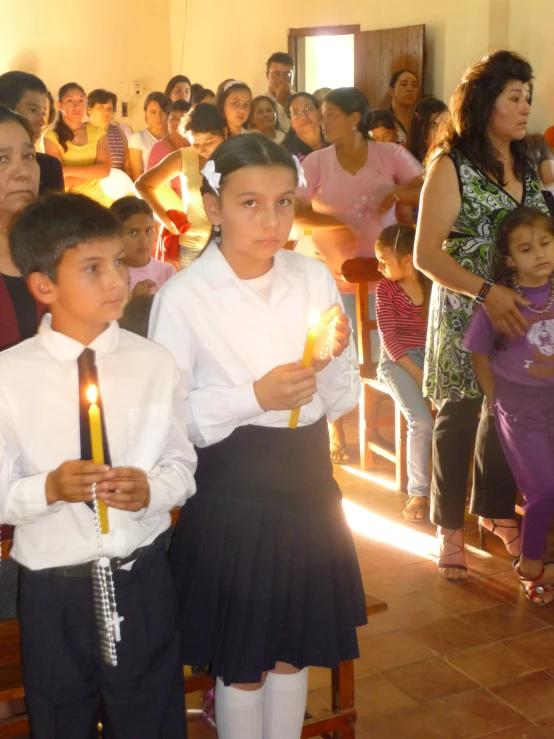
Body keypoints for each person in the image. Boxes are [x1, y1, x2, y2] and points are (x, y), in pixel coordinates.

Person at [149, 134, 366, 739]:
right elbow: (170, 423)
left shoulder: (312, 277)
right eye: (250, 203)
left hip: (306, 485)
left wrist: (323, 373)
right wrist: (255, 397)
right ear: (213, 207)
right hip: (233, 494)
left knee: (292, 647)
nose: (271, 221)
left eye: (284, 202)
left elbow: (345, 392)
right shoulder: (184, 298)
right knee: (243, 661)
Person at [0, 192, 196, 739]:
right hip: (53, 588)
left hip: (141, 576)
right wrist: (50, 489)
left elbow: (182, 463)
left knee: (151, 718)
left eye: (117, 262)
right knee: (61, 719)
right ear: (43, 286)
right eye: (93, 267)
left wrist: (152, 491)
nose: (116, 279)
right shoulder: (8, 377)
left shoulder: (152, 363)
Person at [414, 50, 548, 581]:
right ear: (484, 101)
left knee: (508, 412)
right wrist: (485, 291)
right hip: (465, 306)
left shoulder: (528, 160)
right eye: (513, 97)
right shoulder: (451, 165)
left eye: (528, 98)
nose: (524, 107)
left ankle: (493, 512)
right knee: (461, 415)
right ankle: (448, 526)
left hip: (520, 314)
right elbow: (426, 255)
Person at [296, 87, 423, 462]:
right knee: (331, 352)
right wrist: (333, 224)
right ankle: (335, 431)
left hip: (385, 278)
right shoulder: (317, 162)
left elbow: (424, 188)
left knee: (386, 355)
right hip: (332, 275)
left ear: (355, 119)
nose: (323, 121)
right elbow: (294, 210)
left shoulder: (389, 154)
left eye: (331, 114)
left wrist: (398, 192)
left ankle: (379, 427)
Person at [464, 206, 554, 604]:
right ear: (508, 258)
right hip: (520, 409)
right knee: (544, 491)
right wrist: (493, 395)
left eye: (546, 243)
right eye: (526, 248)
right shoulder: (501, 300)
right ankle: (531, 565)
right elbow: (478, 350)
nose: (540, 254)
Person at [0, 106, 45, 624]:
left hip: (57, 494)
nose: (21, 169)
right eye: (2, 157)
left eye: (29, 155)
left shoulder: (57, 258)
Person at [375, 224, 434, 521]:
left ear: (408, 260)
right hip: (396, 362)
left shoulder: (431, 284)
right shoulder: (385, 288)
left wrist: (433, 370)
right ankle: (418, 492)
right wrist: (420, 375)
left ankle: (450, 486)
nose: (379, 267)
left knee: (458, 414)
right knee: (422, 421)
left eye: (385, 261)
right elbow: (389, 339)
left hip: (431, 360)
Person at [136, 103, 228, 268]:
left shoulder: (239, 158)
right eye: (196, 143)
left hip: (230, 248)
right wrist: (165, 219)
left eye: (209, 141)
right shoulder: (185, 157)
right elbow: (143, 185)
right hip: (191, 246)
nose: (203, 149)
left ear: (225, 133)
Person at [43, 83, 111, 206]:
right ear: (59, 105)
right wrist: (93, 172)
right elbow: (57, 177)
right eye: (70, 100)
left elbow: (105, 170)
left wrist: (67, 170)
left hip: (97, 203)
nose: (77, 106)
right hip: (67, 205)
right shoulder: (51, 136)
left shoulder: (97, 132)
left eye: (81, 100)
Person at [0, 71, 64, 196]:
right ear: (5, 109)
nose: (42, 122)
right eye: (33, 110)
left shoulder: (49, 167)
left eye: (43, 113)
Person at [110, 196, 175, 296]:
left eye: (148, 231)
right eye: (133, 232)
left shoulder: (168, 271)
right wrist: (133, 301)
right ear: (115, 235)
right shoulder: (108, 275)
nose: (144, 240)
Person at [146, 99, 191, 198]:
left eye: (183, 118)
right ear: (167, 122)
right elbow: (147, 185)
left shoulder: (196, 147)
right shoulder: (157, 149)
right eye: (173, 119)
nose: (178, 123)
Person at [87, 88, 131, 177]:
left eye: (109, 108)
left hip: (116, 186)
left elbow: (127, 166)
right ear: (90, 110)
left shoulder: (118, 131)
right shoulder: (82, 131)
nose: (106, 112)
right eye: (101, 108)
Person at [128, 91, 170, 181]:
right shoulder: (138, 138)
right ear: (146, 113)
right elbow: (137, 176)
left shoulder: (176, 137)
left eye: (162, 111)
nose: (158, 117)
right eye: (153, 112)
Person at [283, 92, 327, 160]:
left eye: (308, 109)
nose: (304, 116)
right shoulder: (286, 153)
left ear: (319, 112)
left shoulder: (334, 140)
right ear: (290, 121)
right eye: (296, 113)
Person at [408, 96, 448, 164]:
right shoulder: (406, 162)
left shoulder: (452, 160)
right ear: (419, 128)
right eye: (433, 126)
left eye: (445, 125)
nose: (441, 132)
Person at [265, 52, 295, 133]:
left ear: (293, 76)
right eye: (276, 74)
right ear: (267, 76)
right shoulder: (259, 102)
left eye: (287, 74)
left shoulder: (300, 100)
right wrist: (279, 103)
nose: (281, 79)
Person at [388, 69, 420, 145]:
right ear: (391, 91)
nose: (410, 89)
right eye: (404, 84)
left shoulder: (422, 120)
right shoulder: (384, 120)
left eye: (414, 85)